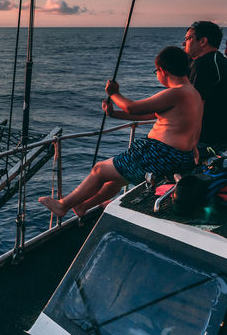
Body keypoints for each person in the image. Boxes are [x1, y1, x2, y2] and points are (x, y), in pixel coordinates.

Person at [39, 46, 202, 218]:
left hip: (160, 156)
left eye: (156, 71)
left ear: (163, 70)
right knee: (116, 178)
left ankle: (63, 205)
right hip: (180, 157)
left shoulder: (176, 93)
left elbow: (133, 107)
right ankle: (83, 207)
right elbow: (153, 114)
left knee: (99, 170)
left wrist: (114, 93)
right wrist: (115, 114)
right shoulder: (192, 93)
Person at [183, 20, 227, 157]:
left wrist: (191, 141)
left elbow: (195, 104)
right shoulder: (223, 62)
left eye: (188, 39)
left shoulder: (203, 64)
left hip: (210, 139)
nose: (184, 43)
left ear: (203, 41)